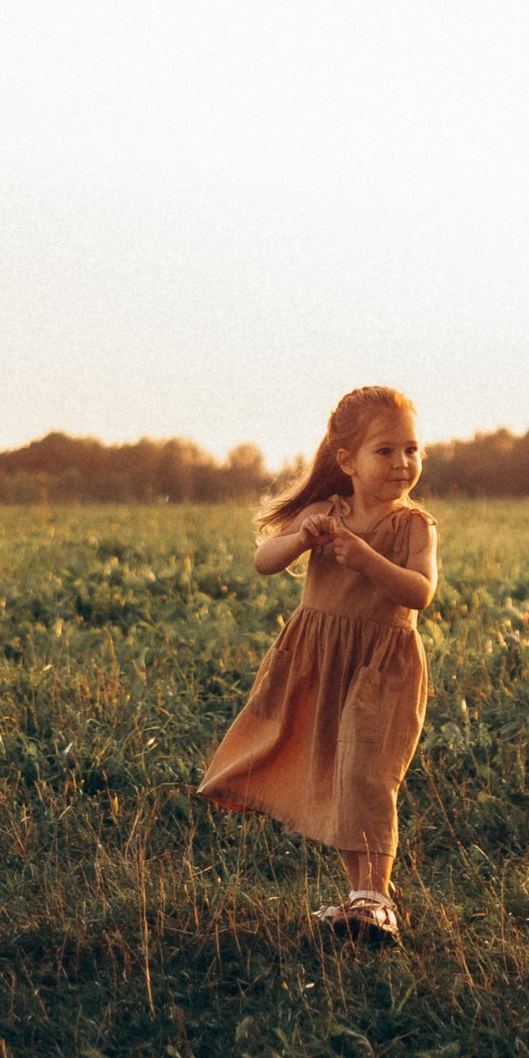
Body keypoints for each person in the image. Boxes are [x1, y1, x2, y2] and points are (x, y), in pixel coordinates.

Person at [198, 383, 437, 941]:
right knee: (333, 769)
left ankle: (374, 900)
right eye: (385, 451)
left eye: (411, 449)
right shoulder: (323, 512)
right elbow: (265, 559)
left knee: (366, 775)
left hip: (381, 670)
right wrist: (301, 540)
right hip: (320, 660)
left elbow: (420, 592)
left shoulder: (414, 525)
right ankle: (360, 897)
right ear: (347, 461)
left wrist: (366, 558)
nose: (402, 463)